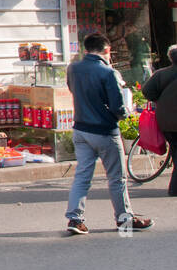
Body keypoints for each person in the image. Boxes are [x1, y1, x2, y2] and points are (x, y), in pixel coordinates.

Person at [65, 33, 153, 234]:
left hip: (80, 129)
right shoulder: (108, 72)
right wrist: (125, 114)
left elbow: (72, 90)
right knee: (116, 178)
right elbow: (117, 107)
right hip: (104, 130)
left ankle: (75, 218)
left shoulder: (73, 68)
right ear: (106, 50)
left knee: (82, 176)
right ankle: (124, 219)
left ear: (86, 50)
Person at [141, 44, 177, 198]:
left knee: (176, 151)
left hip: (165, 122)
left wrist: (161, 100)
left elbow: (147, 91)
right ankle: (174, 188)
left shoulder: (161, 74)